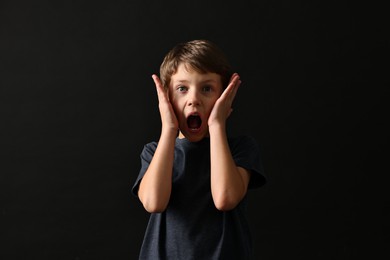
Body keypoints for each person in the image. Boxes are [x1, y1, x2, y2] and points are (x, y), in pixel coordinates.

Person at [131, 39, 267, 259]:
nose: (194, 100)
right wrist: (168, 129)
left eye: (206, 89)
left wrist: (216, 125)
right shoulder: (154, 151)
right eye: (182, 89)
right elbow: (154, 202)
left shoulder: (240, 149)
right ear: (167, 98)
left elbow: (225, 198)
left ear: (225, 98)